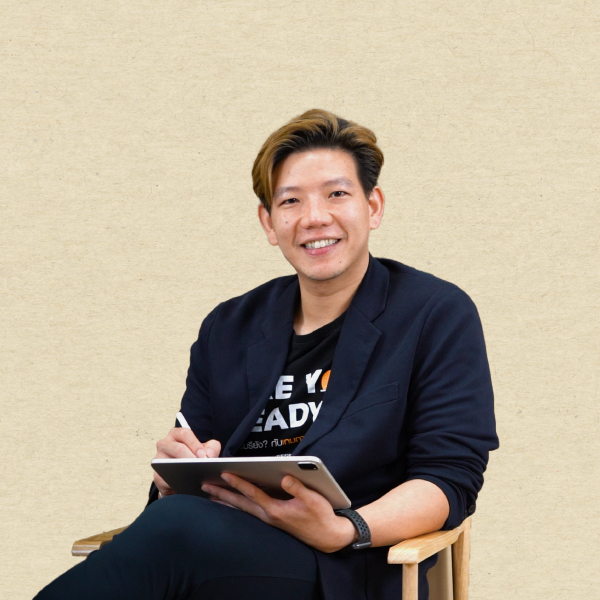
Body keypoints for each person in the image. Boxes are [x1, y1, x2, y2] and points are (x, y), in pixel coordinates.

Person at [36, 109, 498, 600]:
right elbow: (192, 461)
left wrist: (346, 529)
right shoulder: (229, 326)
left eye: (337, 194)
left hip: (346, 567)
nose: (314, 217)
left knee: (174, 531)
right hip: (214, 543)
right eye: (290, 201)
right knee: (174, 521)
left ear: (373, 206)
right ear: (269, 222)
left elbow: (448, 478)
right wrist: (173, 476)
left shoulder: (433, 313)